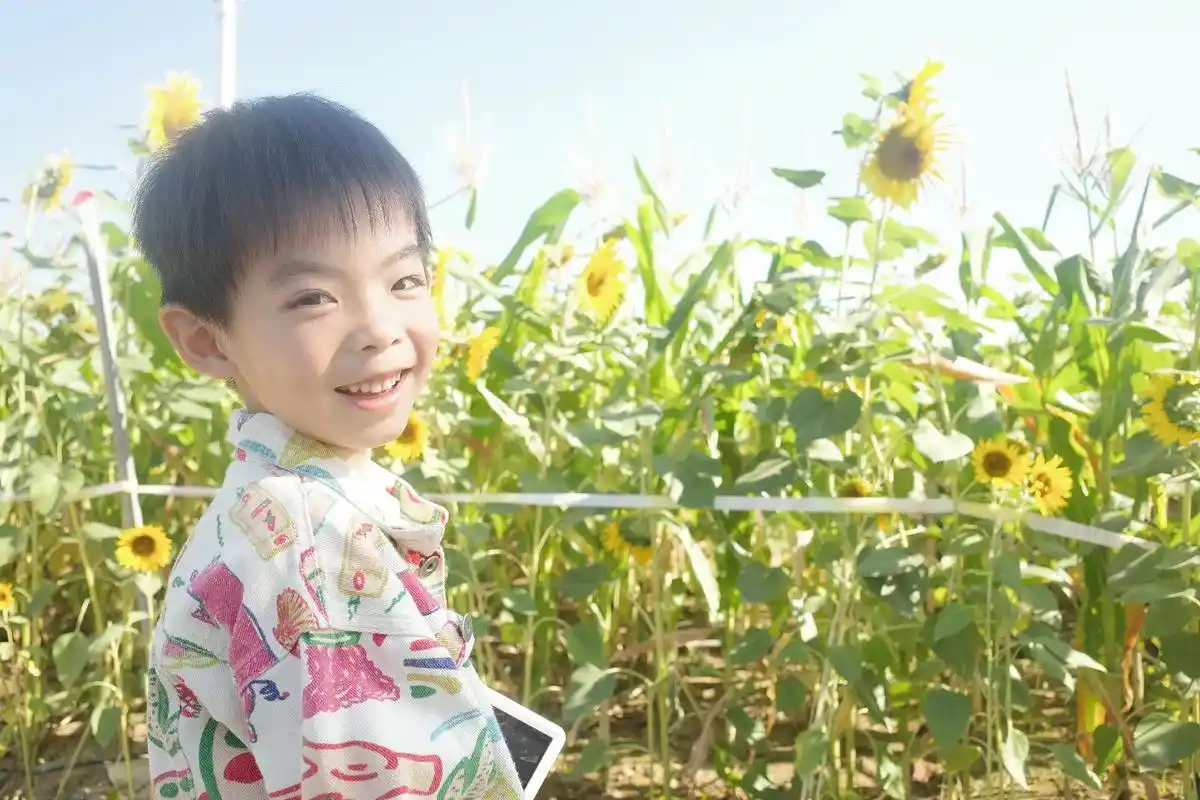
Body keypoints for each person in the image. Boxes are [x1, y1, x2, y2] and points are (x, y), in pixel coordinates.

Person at [132, 93, 522, 799]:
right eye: (314, 297)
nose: (379, 327)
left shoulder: (271, 509)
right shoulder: (310, 542)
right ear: (205, 340)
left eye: (405, 280)